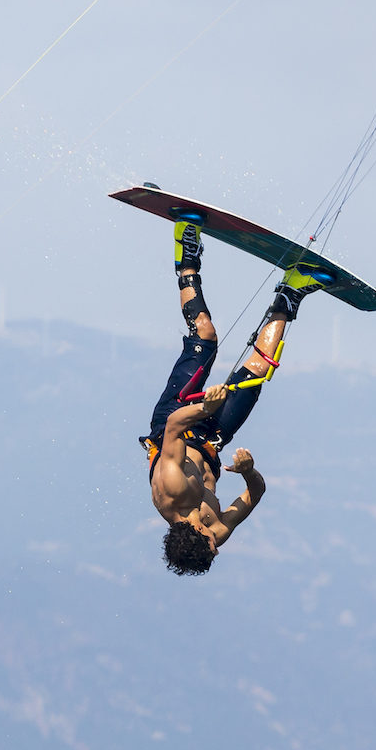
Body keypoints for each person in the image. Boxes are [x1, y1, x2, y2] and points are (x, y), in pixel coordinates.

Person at [142, 215, 333, 575]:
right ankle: (292, 290)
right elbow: (254, 495)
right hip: (213, 440)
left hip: (179, 419)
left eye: (212, 547)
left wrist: (202, 408)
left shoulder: (170, 489)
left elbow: (171, 426)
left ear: (197, 534)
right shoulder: (215, 530)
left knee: (206, 336)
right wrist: (248, 471)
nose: (219, 545)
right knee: (257, 372)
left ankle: (186, 257)